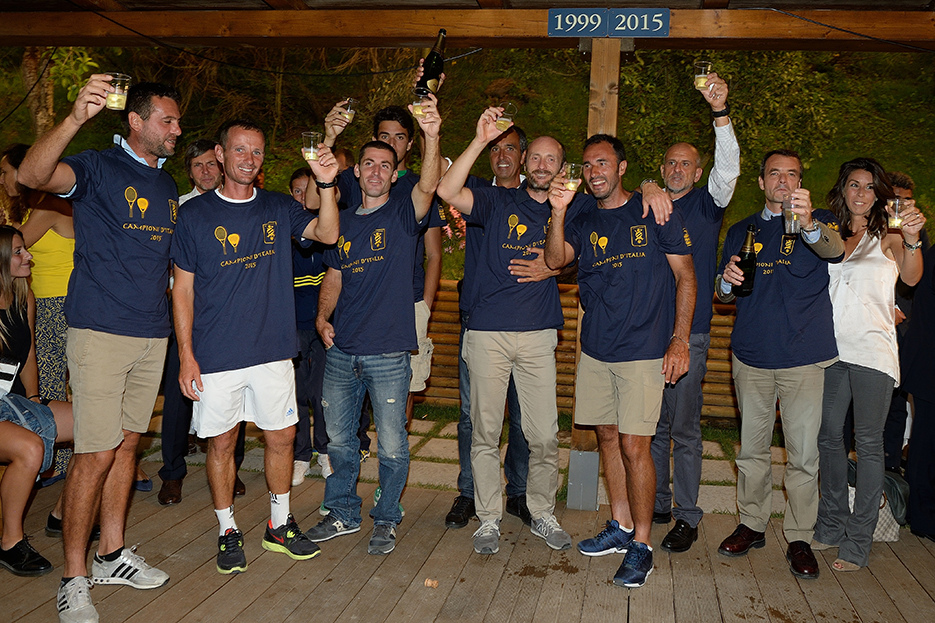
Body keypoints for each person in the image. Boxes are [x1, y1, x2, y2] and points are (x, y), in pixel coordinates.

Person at [19, 77, 181, 623]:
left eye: (177, 120)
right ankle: (74, 577)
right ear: (135, 121)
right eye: (167, 120)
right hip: (100, 333)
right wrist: (73, 118)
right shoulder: (97, 168)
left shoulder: (167, 183)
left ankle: (111, 555)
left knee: (128, 444)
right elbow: (31, 177)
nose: (176, 128)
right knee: (95, 453)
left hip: (151, 333)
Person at [171, 119, 339, 574]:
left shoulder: (279, 207)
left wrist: (326, 184)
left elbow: (327, 234)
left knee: (283, 437)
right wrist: (186, 354)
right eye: (240, 150)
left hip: (272, 350)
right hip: (217, 354)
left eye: (257, 151)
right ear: (221, 153)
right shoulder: (194, 215)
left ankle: (279, 525)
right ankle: (227, 529)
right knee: (223, 443)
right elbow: (182, 290)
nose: (249, 159)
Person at [437, 107, 597, 556]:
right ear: (525, 162)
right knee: (485, 433)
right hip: (487, 332)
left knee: (543, 434)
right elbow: (446, 190)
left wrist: (555, 249)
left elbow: (568, 253)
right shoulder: (496, 200)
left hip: (538, 333)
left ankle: (541, 511)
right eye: (537, 158)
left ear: (562, 168)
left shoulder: (576, 206)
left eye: (552, 160)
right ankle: (488, 518)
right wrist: (479, 139)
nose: (543, 166)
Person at [546, 134, 696, 588]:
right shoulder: (581, 215)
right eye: (588, 165)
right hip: (596, 348)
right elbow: (555, 260)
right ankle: (621, 525)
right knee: (608, 437)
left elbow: (686, 276)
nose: (595, 172)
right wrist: (557, 212)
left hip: (644, 350)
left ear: (622, 167)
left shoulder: (653, 209)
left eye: (603, 163)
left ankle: (642, 545)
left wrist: (680, 340)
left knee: (635, 446)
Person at [305, 95, 443, 556]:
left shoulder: (405, 214)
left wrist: (431, 133)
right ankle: (342, 512)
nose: (377, 171)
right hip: (342, 350)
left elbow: (429, 184)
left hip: (387, 352)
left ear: (395, 172)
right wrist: (322, 317)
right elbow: (335, 275)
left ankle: (386, 518)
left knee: (393, 445)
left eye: (386, 165)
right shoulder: (340, 221)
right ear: (358, 171)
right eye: (369, 163)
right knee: (340, 440)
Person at [715, 149, 844, 580]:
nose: (783, 181)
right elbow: (724, 294)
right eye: (775, 174)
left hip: (803, 357)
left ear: (800, 182)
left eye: (792, 174)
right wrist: (726, 281)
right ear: (761, 182)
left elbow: (835, 250)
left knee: (803, 455)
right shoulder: (742, 230)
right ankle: (752, 524)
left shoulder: (819, 220)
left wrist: (807, 224)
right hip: (751, 355)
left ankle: (800, 536)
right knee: (751, 451)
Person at [640, 71, 739, 553]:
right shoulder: (646, 204)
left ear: (699, 173)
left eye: (687, 163)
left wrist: (720, 113)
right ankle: (658, 503)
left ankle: (688, 515)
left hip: (691, 334)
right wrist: (643, 185)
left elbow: (730, 167)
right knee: (653, 427)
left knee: (684, 429)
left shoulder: (708, 204)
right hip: (645, 336)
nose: (678, 169)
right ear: (662, 170)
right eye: (671, 163)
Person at [813, 158, 924, 571]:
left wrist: (912, 240)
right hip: (832, 351)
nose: (861, 193)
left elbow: (911, 278)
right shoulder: (831, 234)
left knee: (869, 444)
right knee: (828, 437)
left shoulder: (888, 234)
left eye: (869, 186)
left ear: (879, 194)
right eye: (854, 185)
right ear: (843, 190)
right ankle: (831, 524)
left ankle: (858, 540)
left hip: (872, 351)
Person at [316, 103, 446, 427]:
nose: (376, 171)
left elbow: (434, 250)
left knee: (398, 410)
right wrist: (328, 139)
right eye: (384, 136)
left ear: (409, 144)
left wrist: (425, 304)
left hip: (406, 305)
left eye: (399, 137)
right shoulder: (353, 192)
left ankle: (395, 446)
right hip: (355, 312)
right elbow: (313, 201)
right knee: (344, 417)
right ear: (358, 170)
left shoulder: (412, 198)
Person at [446, 126, 535, 530]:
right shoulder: (478, 192)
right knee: (472, 417)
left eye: (510, 148)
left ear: (523, 155)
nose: (502, 155)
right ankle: (470, 492)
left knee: (523, 418)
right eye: (495, 148)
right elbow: (441, 176)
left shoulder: (539, 195)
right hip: (479, 324)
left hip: (527, 325)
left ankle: (519, 493)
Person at [158, 138, 249, 507]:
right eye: (198, 165)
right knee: (179, 396)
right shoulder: (177, 209)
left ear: (222, 164)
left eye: (212, 163)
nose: (206, 171)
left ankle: (232, 467)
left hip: (228, 316)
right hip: (185, 312)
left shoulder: (239, 204)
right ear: (189, 172)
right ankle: (172, 473)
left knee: (234, 393)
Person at [0, 226, 75, 577]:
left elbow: (28, 355)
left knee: (98, 425)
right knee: (30, 448)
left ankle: (63, 513)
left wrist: (34, 400)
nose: (28, 255)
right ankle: (9, 542)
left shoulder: (23, 296)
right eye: (18, 251)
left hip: (14, 400)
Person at [881, 171, 929, 474]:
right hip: (871, 321)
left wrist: (904, 312)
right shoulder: (870, 226)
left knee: (896, 400)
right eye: (897, 200)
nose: (902, 206)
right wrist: (887, 306)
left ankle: (889, 468)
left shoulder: (917, 231)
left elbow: (918, 279)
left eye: (907, 200)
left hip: (903, 329)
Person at [901, 244, 935, 543]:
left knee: (925, 441)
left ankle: (921, 514)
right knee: (926, 443)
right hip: (929, 365)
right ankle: (923, 517)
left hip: (925, 363)